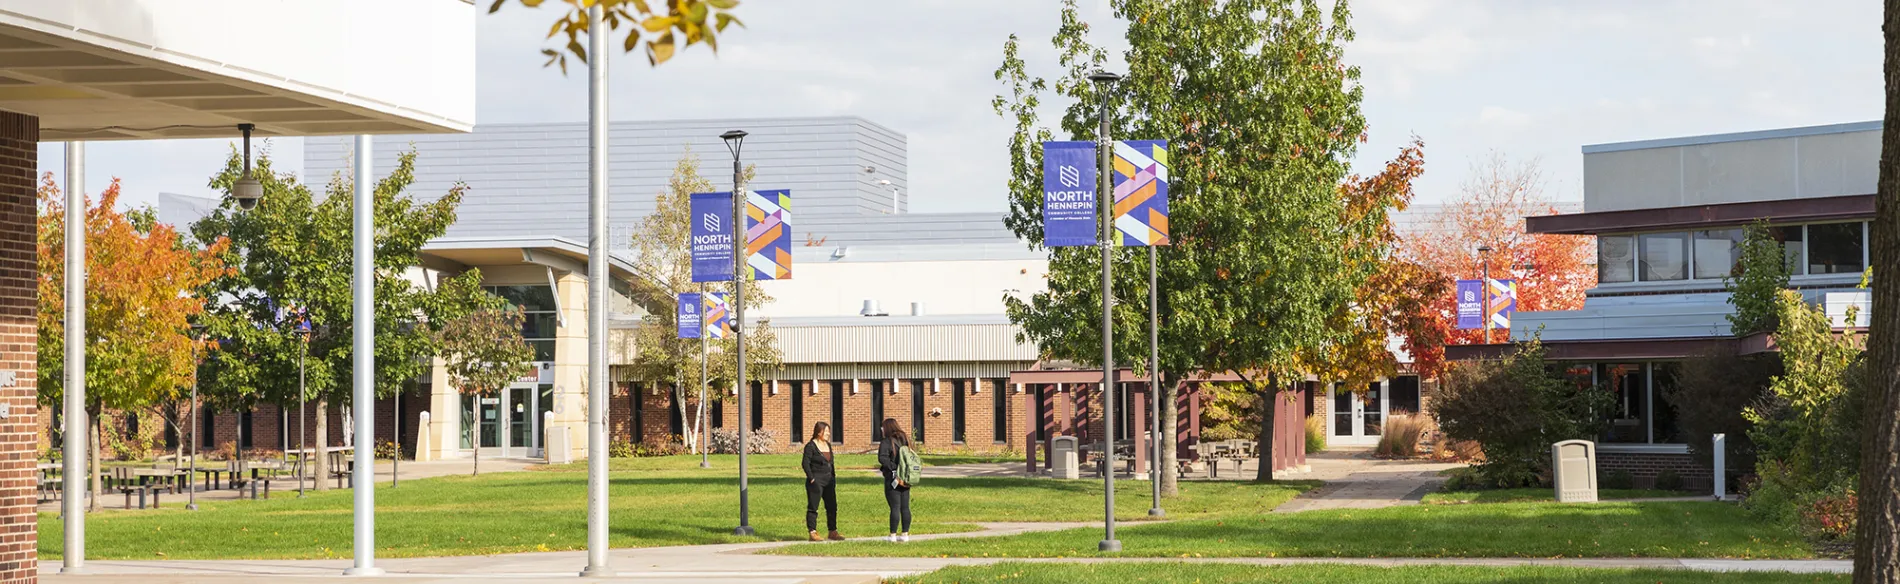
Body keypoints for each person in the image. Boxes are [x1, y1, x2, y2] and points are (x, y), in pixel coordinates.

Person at [801, 421, 844, 542]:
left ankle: (832, 531)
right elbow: (805, 464)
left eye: (829, 431)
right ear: (819, 432)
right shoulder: (811, 446)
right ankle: (812, 532)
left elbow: (831, 463)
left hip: (829, 480)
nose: (828, 434)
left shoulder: (828, 445)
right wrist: (812, 478)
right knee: (813, 507)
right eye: (826, 431)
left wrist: (833, 477)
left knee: (832, 506)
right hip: (816, 481)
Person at [877, 417, 913, 542]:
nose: (881, 429)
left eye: (883, 427)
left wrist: (893, 468)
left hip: (893, 478)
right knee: (905, 507)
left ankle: (892, 535)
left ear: (887, 428)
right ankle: (905, 534)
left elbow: (882, 458)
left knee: (895, 507)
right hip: (906, 477)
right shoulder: (905, 440)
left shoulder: (886, 442)